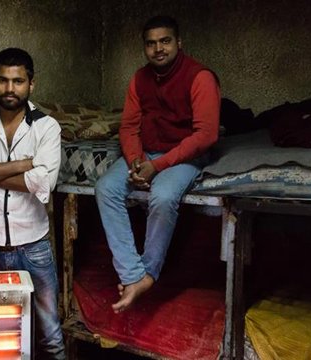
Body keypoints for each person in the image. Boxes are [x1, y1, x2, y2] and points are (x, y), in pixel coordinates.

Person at [95, 15, 221, 313]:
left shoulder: (199, 76)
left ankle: (149, 274)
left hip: (185, 154)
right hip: (147, 154)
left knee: (163, 196)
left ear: (179, 42)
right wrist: (138, 162)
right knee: (105, 189)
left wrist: (158, 166)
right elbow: (128, 127)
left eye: (165, 41)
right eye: (151, 43)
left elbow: (206, 135)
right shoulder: (140, 78)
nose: (158, 49)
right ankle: (132, 275)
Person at [0, 47, 65, 359]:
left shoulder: (47, 127)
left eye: (18, 81)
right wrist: (21, 165)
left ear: (31, 84)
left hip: (34, 248)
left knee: (51, 335)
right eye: (2, 80)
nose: (9, 88)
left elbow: (43, 183)